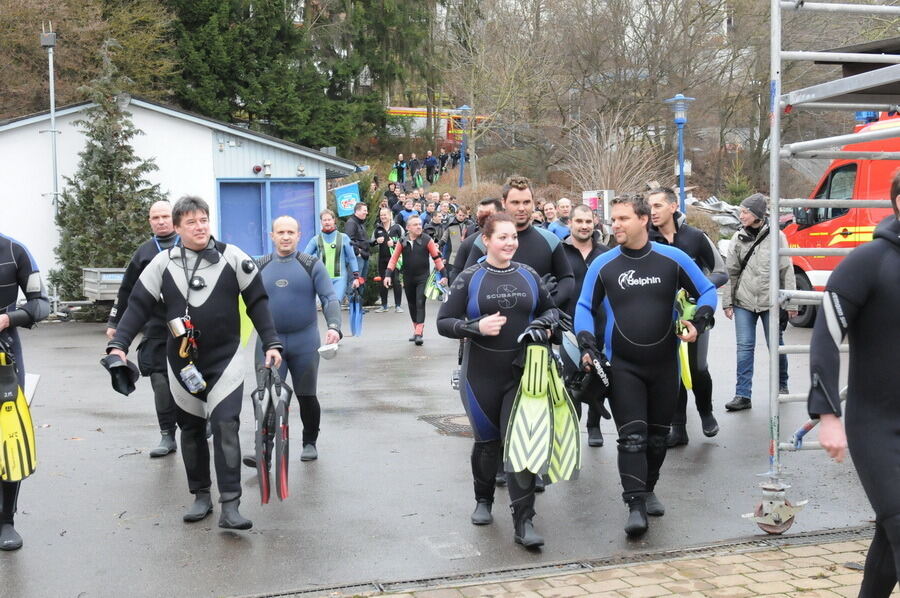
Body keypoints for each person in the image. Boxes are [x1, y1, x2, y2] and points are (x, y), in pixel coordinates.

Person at [107, 196, 283, 531]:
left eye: (204, 220)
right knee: (189, 429)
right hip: (182, 363)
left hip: (225, 359)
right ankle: (201, 494)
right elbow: (137, 307)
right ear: (177, 228)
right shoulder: (161, 264)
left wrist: (272, 342)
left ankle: (230, 504)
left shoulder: (234, 258)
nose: (200, 227)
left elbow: (258, 302)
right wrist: (119, 346)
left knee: (225, 426)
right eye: (191, 222)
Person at [574, 194, 716, 537]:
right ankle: (635, 504)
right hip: (623, 366)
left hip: (664, 365)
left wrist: (700, 320)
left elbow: (708, 291)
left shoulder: (673, 258)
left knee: (656, 438)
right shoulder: (603, 264)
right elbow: (583, 306)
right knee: (632, 438)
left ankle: (649, 487)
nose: (615, 225)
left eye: (622, 218)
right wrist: (586, 342)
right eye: (613, 219)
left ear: (642, 220)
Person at [437, 213, 561, 548]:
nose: (510, 243)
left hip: (521, 374)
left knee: (520, 445)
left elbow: (552, 312)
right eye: (502, 237)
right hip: (480, 376)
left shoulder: (528, 274)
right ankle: (483, 500)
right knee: (488, 442)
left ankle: (524, 524)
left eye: (513, 238)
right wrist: (475, 327)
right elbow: (444, 321)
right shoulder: (469, 278)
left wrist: (542, 325)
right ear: (487, 240)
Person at [809, 174, 900, 598]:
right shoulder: (869, 261)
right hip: (878, 427)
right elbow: (825, 334)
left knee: (890, 537)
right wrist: (828, 414)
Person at [255, 216, 342, 463]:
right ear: (272, 235)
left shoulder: (311, 264)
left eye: (290, 232)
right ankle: (266, 449)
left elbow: (329, 298)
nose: (285, 236)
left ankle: (309, 441)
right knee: (268, 398)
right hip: (269, 343)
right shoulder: (260, 266)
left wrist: (334, 326)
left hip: (304, 340)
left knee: (306, 395)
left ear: (299, 235)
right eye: (280, 232)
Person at [647, 188, 729, 446]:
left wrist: (698, 285)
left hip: (694, 313)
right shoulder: (647, 241)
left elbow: (721, 271)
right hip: (662, 315)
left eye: (658, 205)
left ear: (673, 206)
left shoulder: (695, 237)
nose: (653, 211)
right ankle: (678, 428)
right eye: (650, 206)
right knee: (673, 371)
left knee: (696, 367)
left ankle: (706, 412)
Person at [106, 201, 182, 459]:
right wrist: (115, 324)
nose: (160, 221)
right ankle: (167, 435)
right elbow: (127, 290)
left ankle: (199, 423)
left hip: (189, 329)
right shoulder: (144, 252)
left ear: (175, 218)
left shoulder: (190, 246)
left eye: (165, 216)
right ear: (149, 221)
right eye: (155, 217)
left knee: (192, 381)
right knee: (160, 382)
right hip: (156, 328)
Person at [721, 194, 796, 411]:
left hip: (770, 301)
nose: (741, 215)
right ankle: (742, 394)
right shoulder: (738, 237)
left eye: (745, 212)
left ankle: (782, 385)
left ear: (757, 215)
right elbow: (732, 272)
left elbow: (786, 269)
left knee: (776, 345)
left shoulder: (777, 237)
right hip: (744, 301)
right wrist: (728, 302)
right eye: (741, 211)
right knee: (744, 348)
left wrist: (790, 303)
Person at [0, 234, 49, 551]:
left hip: (4, 361)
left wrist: (7, 318)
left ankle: (6, 520)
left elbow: (40, 304)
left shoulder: (14, 251)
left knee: (8, 440)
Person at [465, 176, 575, 313]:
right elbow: (466, 286)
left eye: (527, 202)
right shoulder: (485, 242)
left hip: (541, 327)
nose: (522, 208)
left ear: (533, 203)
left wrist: (548, 304)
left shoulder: (550, 240)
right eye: (515, 202)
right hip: (495, 325)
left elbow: (567, 278)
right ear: (503, 203)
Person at [560, 204, 610, 447]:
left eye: (588, 222)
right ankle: (571, 429)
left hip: (599, 325)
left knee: (598, 377)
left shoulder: (606, 253)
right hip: (568, 326)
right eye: (578, 221)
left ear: (594, 223)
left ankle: (594, 426)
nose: (584, 226)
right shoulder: (559, 251)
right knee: (572, 380)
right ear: (569, 223)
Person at [384, 215, 447, 345]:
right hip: (408, 278)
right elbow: (394, 259)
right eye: (415, 225)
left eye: (420, 224)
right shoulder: (402, 241)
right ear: (408, 228)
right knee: (412, 305)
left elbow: (436, 258)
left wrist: (445, 275)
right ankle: (416, 330)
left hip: (423, 278)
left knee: (420, 302)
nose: (419, 226)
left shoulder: (427, 240)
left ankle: (419, 332)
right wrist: (387, 274)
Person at [303, 209, 360, 302]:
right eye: (324, 220)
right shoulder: (315, 240)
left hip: (340, 278)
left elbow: (352, 258)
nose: (327, 222)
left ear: (334, 220)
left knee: (335, 303)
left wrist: (356, 278)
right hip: (323, 279)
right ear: (321, 222)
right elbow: (305, 257)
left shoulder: (344, 237)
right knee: (326, 305)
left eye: (329, 219)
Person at [453, 198, 502, 276]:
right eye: (480, 212)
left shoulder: (511, 242)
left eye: (488, 213)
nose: (483, 216)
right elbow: (457, 272)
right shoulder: (469, 242)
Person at [372, 208, 405, 313]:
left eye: (385, 215)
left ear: (390, 215)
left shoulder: (397, 228)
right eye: (381, 215)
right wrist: (376, 241)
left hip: (395, 259)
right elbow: (371, 243)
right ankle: (384, 305)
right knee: (383, 281)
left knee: (395, 281)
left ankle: (398, 306)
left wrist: (394, 244)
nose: (383, 217)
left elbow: (405, 241)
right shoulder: (378, 229)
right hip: (382, 259)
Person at [344, 202, 371, 283]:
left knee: (362, 283)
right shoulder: (351, 223)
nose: (366, 212)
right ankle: (351, 296)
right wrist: (358, 252)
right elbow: (349, 241)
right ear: (357, 211)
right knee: (354, 283)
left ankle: (359, 296)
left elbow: (363, 240)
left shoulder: (361, 223)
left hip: (364, 256)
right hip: (357, 258)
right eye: (364, 210)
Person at [442, 208, 470, 283]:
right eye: (460, 215)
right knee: (452, 280)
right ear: (456, 214)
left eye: (463, 215)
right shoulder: (450, 225)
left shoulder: (469, 225)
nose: (461, 217)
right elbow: (444, 239)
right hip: (452, 257)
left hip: (465, 256)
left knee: (463, 280)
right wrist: (438, 245)